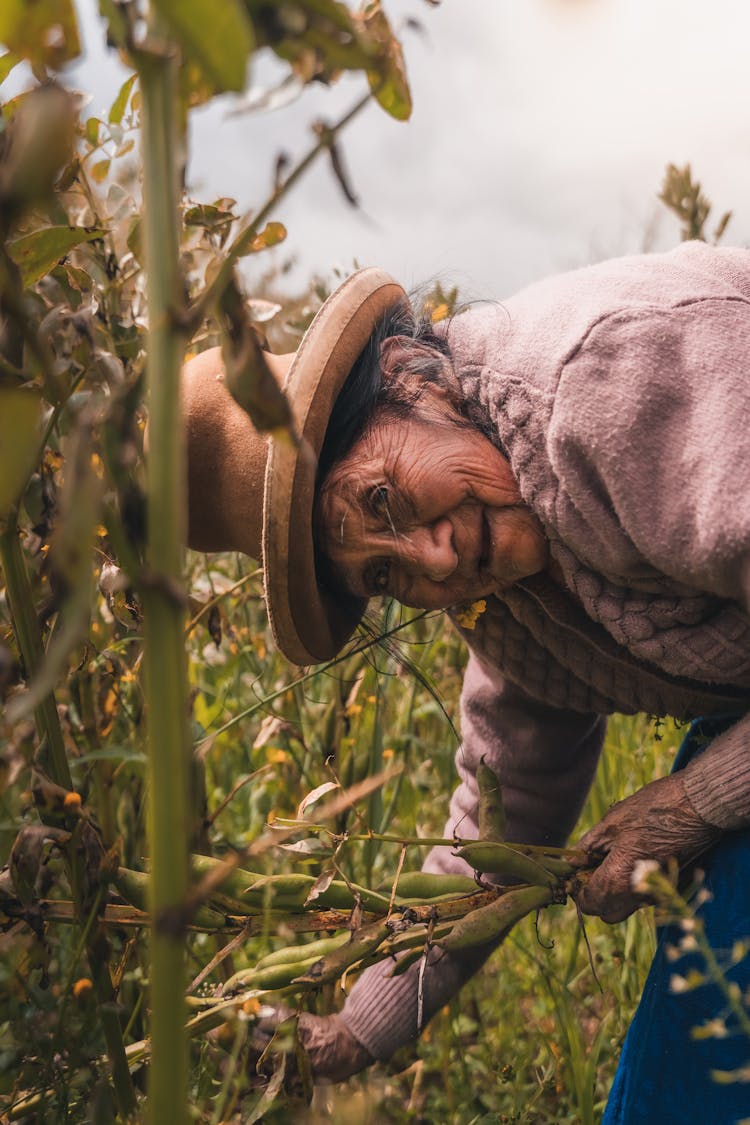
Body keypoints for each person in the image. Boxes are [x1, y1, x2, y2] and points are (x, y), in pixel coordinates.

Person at [183, 242, 750, 1122]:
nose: (432, 558)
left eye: (381, 500)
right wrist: (352, 1032)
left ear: (411, 378)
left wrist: (693, 802)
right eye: (381, 576)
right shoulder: (513, 602)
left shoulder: (601, 390)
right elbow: (501, 818)